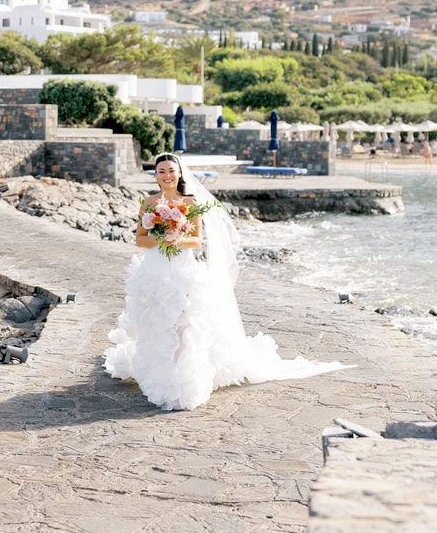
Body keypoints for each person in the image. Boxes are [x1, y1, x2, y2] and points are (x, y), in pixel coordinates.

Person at [104, 152, 351, 411]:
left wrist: (176, 237)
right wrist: (162, 238)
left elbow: (196, 240)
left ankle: (183, 380)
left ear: (179, 173)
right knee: (157, 323)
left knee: (185, 324)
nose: (166, 175)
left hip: (182, 270)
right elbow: (140, 239)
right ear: (155, 175)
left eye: (171, 170)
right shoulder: (149, 203)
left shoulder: (190, 202)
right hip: (155, 270)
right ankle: (158, 376)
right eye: (161, 171)